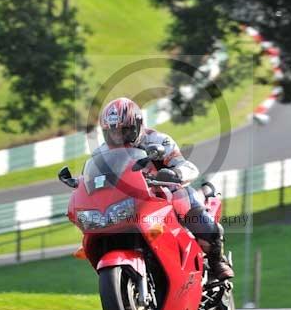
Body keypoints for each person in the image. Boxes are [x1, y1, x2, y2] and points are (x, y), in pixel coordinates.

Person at [98, 97, 233, 280]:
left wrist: (175, 174)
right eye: (112, 132)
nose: (119, 137)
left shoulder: (158, 140)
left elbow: (188, 167)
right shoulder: (102, 152)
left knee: (189, 206)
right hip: (131, 203)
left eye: (125, 131)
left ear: (138, 125)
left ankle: (217, 261)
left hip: (166, 194)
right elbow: (92, 176)